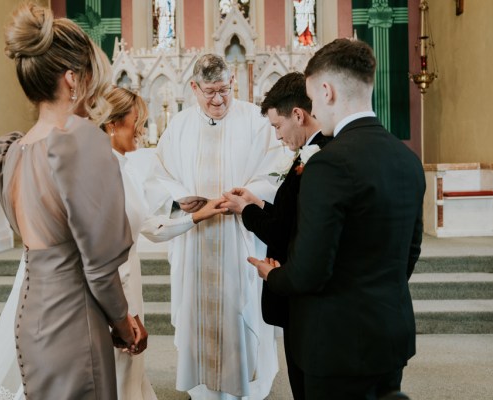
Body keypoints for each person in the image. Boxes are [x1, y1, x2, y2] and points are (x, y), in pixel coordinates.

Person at [247, 38, 425, 399]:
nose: (311, 108)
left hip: (336, 342)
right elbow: (410, 250)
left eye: (311, 99)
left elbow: (310, 269)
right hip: (391, 332)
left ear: (326, 92)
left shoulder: (328, 164)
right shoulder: (405, 158)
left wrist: (274, 274)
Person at [0, 3, 138, 399]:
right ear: (73, 78)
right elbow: (100, 269)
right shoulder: (81, 142)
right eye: (91, 79)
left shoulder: (11, 152)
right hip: (74, 323)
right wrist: (123, 325)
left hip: (32, 318)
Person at [145, 54, 281, 399]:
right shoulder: (179, 126)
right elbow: (158, 176)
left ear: (233, 81)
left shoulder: (255, 120)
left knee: (242, 309)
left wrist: (247, 197)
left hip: (241, 236)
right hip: (196, 239)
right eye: (210, 92)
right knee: (198, 317)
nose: (219, 99)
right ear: (193, 87)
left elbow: (274, 172)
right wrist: (180, 199)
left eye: (224, 89)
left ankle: (246, 389)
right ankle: (206, 390)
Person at [101, 87, 229, 400]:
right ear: (111, 125)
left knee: (130, 368)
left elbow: (148, 226)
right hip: (113, 286)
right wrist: (122, 313)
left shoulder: (124, 171)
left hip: (131, 280)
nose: (142, 131)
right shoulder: (99, 176)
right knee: (115, 365)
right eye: (136, 122)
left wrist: (198, 216)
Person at [221, 71, 331, 400]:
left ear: (297, 115)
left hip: (302, 289)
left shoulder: (319, 159)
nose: (277, 136)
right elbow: (291, 213)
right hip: (301, 290)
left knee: (307, 379)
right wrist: (257, 202)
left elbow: (284, 228)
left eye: (277, 127)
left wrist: (246, 211)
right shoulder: (308, 155)